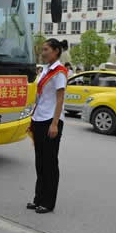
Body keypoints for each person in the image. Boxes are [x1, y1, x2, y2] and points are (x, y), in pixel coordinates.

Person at [27, 38, 67, 214]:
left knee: (50, 163)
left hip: (51, 121)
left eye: (46, 50)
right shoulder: (44, 70)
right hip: (39, 119)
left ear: (56, 51)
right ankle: (38, 198)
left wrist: (54, 124)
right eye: (42, 50)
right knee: (40, 162)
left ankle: (48, 202)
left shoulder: (59, 71)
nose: (43, 53)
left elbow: (60, 99)